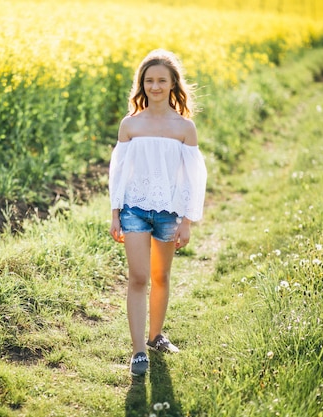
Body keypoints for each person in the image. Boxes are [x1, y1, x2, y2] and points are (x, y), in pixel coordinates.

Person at [108, 49, 207, 377]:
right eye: (149, 80)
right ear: (141, 84)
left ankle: (155, 337)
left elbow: (194, 178)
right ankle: (138, 352)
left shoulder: (184, 128)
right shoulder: (130, 124)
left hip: (169, 214)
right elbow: (118, 172)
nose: (155, 86)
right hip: (134, 209)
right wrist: (115, 213)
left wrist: (187, 220)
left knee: (161, 277)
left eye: (161, 80)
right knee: (138, 278)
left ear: (172, 83)